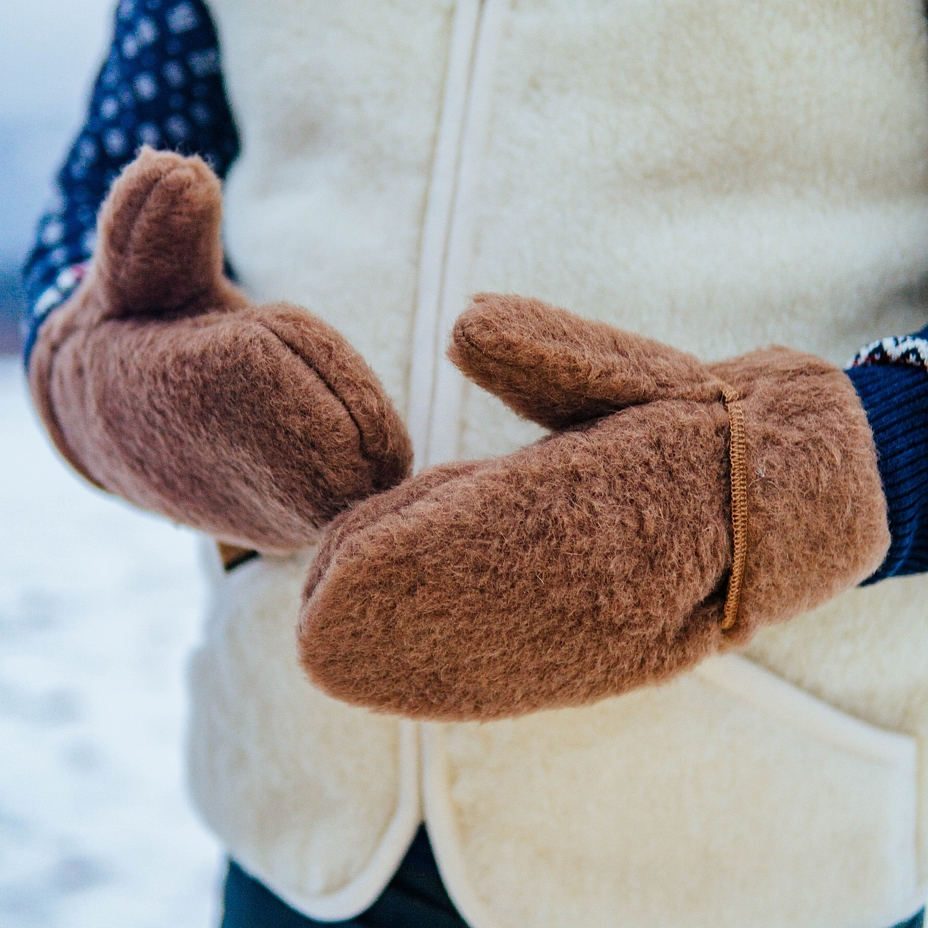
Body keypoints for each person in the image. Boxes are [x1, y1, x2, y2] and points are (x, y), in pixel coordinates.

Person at [22, 1, 928, 926]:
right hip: (300, 814)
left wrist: (754, 496)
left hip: (767, 841)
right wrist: (114, 374)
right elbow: (105, 190)